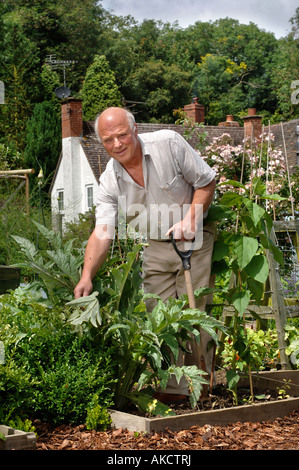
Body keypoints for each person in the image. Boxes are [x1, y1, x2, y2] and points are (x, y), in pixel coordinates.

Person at [74, 106, 216, 401]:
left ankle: (202, 384)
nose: (117, 145)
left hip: (193, 236)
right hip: (153, 243)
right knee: (159, 315)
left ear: (134, 129)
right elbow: (102, 232)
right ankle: (172, 389)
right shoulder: (109, 181)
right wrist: (87, 275)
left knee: (194, 311)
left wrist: (190, 220)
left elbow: (205, 182)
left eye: (122, 135)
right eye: (108, 140)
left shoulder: (168, 144)